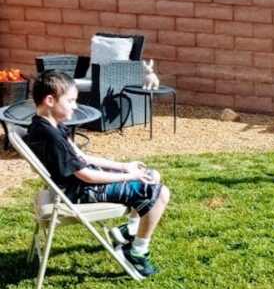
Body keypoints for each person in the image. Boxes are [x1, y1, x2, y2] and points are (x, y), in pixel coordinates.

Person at [25, 70, 171, 277]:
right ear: (50, 100)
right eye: (71, 101)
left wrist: (125, 167)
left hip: (76, 185)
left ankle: (129, 231)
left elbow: (83, 158)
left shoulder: (48, 126)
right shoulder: (50, 136)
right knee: (159, 192)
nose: (75, 106)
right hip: (78, 193)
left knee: (151, 175)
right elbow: (87, 175)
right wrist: (131, 176)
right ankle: (136, 252)